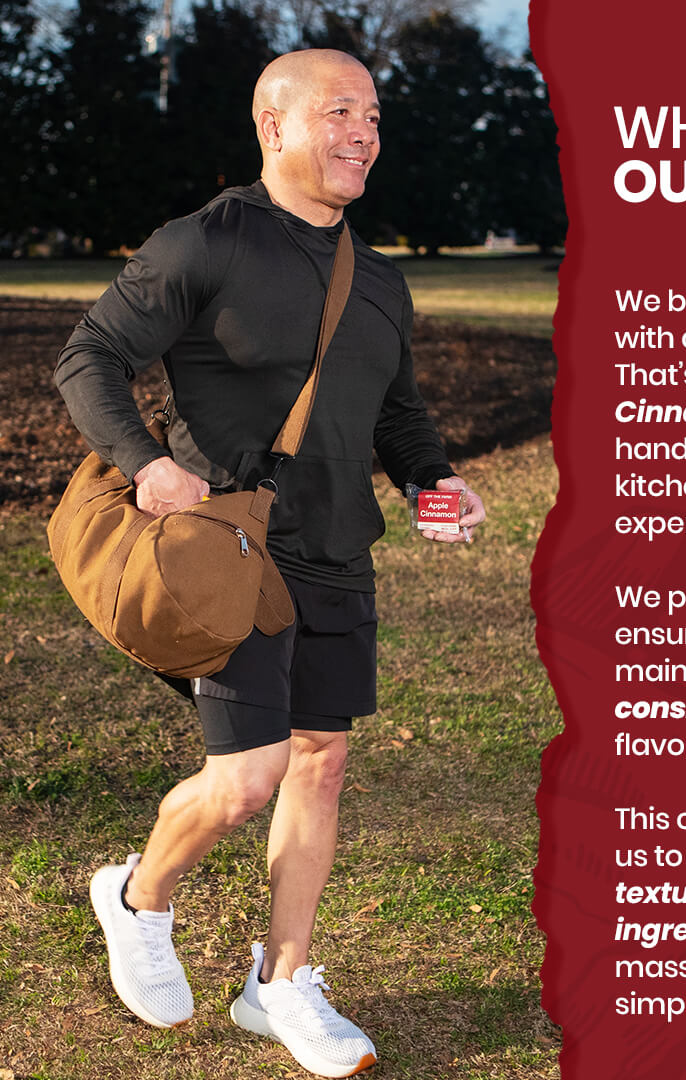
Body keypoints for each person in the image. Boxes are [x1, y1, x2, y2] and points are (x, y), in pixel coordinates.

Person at [54, 49, 485, 1078]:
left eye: (373, 116)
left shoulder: (377, 279)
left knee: (320, 761)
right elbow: (89, 357)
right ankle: (137, 898)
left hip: (337, 550)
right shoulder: (207, 241)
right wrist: (146, 462)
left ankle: (280, 983)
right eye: (339, 112)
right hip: (228, 550)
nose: (363, 133)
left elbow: (395, 411)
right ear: (274, 125)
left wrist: (433, 478)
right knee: (247, 777)